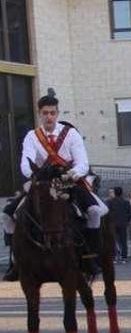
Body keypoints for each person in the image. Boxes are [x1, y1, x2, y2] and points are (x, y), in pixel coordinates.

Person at [1, 94, 108, 280]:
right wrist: (36, 176)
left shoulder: (71, 134)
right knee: (7, 214)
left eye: (52, 113)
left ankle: (91, 257)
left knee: (94, 212)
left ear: (57, 113)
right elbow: (25, 164)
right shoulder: (32, 136)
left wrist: (71, 175)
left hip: (68, 182)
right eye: (45, 113)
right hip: (42, 182)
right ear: (39, 114)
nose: (49, 117)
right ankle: (15, 262)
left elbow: (83, 162)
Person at [106, 187, 131, 264]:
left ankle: (114, 257)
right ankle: (124, 257)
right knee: (123, 241)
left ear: (115, 192)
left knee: (113, 241)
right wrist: (126, 220)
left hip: (113, 224)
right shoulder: (126, 202)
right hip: (123, 224)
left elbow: (107, 213)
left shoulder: (110, 202)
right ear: (122, 193)